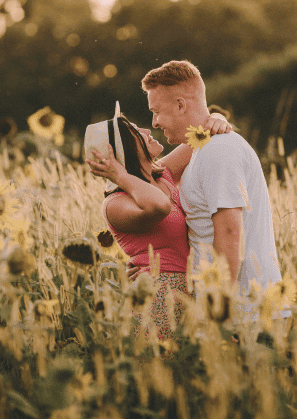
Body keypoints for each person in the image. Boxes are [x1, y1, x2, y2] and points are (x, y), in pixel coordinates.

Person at [140, 60, 287, 310]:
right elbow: (155, 179)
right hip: (231, 309)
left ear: (180, 105)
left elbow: (230, 233)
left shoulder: (218, 151)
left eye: (156, 111)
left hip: (245, 313)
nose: (154, 122)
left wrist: (220, 313)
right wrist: (147, 263)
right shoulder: (202, 148)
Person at [84, 102, 231, 339]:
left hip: (193, 292)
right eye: (135, 132)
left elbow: (204, 135)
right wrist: (121, 176)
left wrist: (216, 118)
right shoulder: (115, 204)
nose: (147, 130)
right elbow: (160, 206)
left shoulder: (163, 174)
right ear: (121, 151)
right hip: (158, 300)